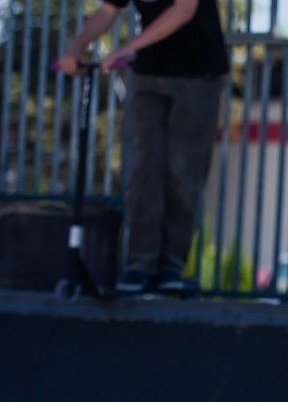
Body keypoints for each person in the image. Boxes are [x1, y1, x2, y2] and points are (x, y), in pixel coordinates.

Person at [59, 0, 229, 296]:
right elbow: (107, 11)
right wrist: (76, 48)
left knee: (183, 173)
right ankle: (139, 265)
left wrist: (126, 48)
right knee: (142, 169)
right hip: (149, 74)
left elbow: (183, 10)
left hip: (196, 74)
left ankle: (170, 267)